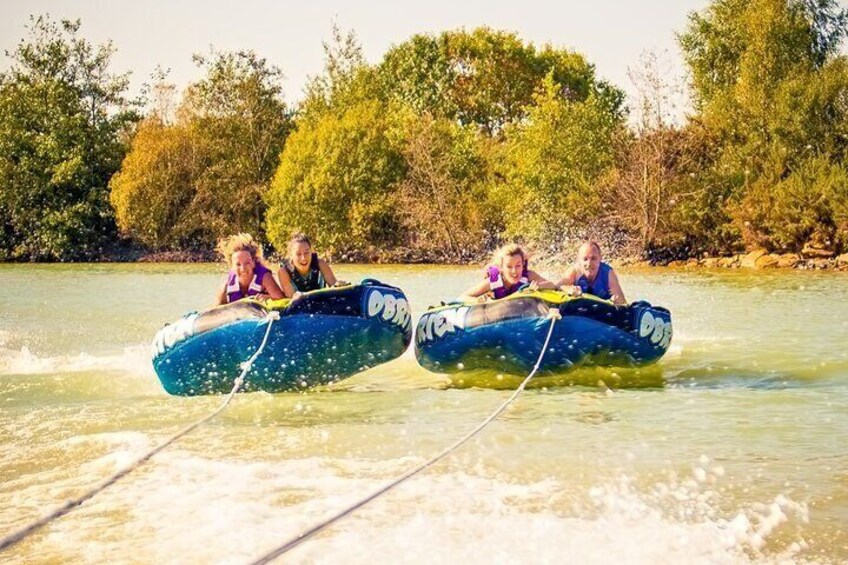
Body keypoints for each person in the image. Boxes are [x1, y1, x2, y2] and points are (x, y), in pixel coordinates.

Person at [458, 244, 555, 303]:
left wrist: (539, 286)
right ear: (501, 268)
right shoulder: (492, 282)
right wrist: (476, 301)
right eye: (509, 267)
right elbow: (463, 297)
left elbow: (552, 285)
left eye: (518, 266)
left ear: (523, 264)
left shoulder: (529, 276)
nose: (514, 271)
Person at [215, 233, 284, 305]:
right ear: (232, 266)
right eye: (238, 264)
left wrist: (268, 298)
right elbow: (215, 311)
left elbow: (282, 299)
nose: (243, 268)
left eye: (247, 263)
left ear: (254, 262)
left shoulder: (265, 277)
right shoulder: (226, 286)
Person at [557, 240, 627, 305]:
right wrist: (568, 289)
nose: (589, 263)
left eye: (593, 258)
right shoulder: (574, 271)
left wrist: (616, 301)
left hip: (603, 311)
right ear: (579, 260)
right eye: (585, 259)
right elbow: (558, 286)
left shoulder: (608, 274)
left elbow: (622, 302)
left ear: (600, 258)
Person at [278, 233, 344, 298]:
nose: (303, 258)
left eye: (306, 253)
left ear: (311, 251)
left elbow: (335, 288)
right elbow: (291, 299)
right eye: (298, 254)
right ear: (291, 255)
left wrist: (339, 285)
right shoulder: (284, 272)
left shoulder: (321, 264)